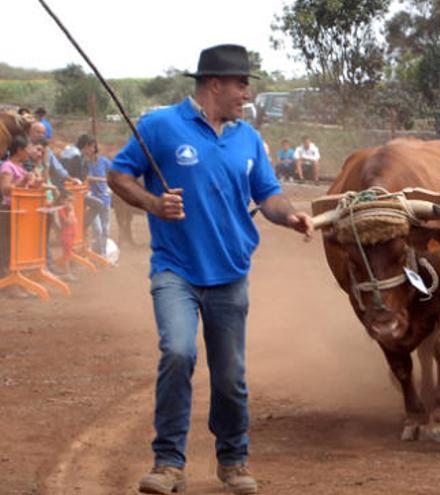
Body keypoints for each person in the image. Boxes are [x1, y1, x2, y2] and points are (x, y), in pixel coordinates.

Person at [108, 44, 313, 495]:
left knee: (230, 375)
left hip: (230, 272)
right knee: (178, 352)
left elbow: (269, 195)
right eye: (241, 84)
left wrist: (290, 214)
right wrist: (153, 205)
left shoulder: (248, 139)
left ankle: (233, 460)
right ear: (214, 84)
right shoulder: (161, 125)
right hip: (175, 270)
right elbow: (119, 175)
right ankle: (168, 463)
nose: (246, 93)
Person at [1, 135, 41, 279]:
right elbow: (5, 189)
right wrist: (23, 181)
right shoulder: (7, 166)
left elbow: (25, 187)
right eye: (27, 149)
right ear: (19, 150)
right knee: (9, 249)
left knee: (18, 249)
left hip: (22, 212)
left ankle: (18, 280)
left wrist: (35, 184)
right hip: (10, 211)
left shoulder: (20, 167)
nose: (29, 152)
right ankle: (10, 283)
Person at [78, 134, 113, 256]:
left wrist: (109, 185)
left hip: (105, 198)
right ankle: (96, 253)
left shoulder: (103, 161)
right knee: (97, 229)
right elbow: (84, 177)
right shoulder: (84, 163)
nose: (92, 149)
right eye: (89, 147)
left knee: (105, 229)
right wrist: (102, 179)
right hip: (93, 199)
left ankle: (102, 254)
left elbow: (113, 172)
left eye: (93, 147)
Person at [56, 192, 78, 281]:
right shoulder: (61, 210)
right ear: (62, 200)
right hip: (66, 235)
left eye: (72, 201)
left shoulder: (68, 209)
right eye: (68, 201)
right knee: (66, 255)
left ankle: (67, 272)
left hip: (71, 234)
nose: (70, 203)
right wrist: (70, 212)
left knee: (67, 254)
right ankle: (67, 273)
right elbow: (67, 222)